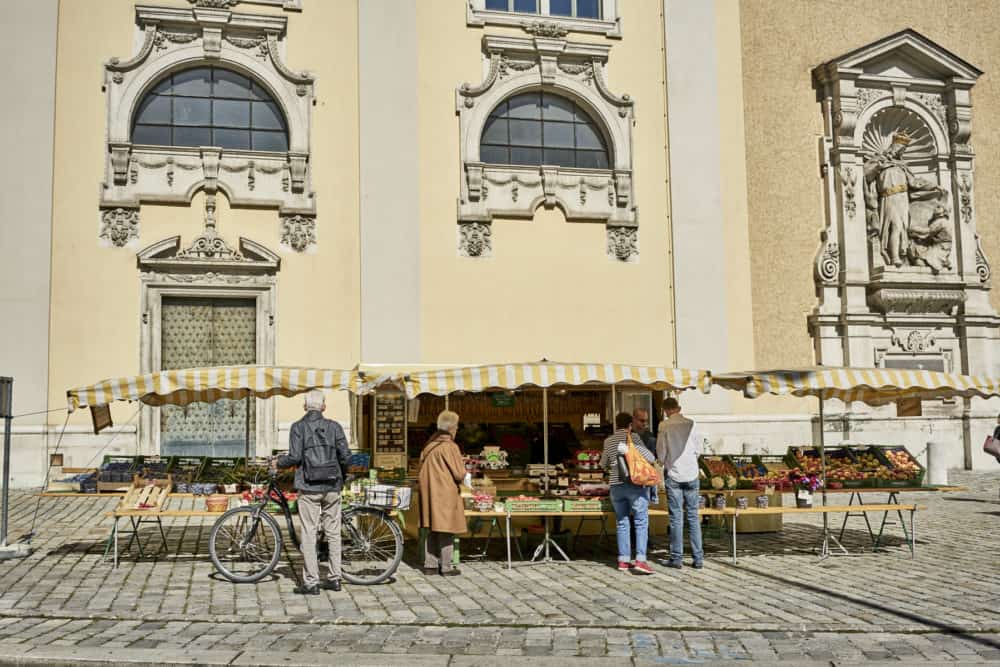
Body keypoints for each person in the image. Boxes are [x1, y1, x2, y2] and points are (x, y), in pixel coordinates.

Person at [276, 390, 351, 594]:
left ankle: (311, 582)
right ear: (324, 407)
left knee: (309, 533)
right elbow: (345, 456)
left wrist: (278, 463)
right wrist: (342, 477)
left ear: (304, 406)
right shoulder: (334, 427)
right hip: (332, 486)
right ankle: (335, 578)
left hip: (309, 486)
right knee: (334, 532)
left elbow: (294, 457)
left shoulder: (298, 427)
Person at [600, 411, 656, 574]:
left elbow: (604, 463)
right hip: (635, 485)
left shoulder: (608, 441)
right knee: (640, 521)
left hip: (616, 486)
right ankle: (640, 560)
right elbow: (651, 458)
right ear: (630, 425)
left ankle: (623, 560)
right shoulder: (635, 438)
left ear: (615, 424)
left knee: (622, 522)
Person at [418, 410, 469, 576]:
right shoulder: (450, 446)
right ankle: (446, 567)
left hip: (429, 492)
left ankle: (430, 565)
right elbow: (459, 474)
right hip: (444, 492)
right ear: (452, 428)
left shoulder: (429, 445)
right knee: (447, 528)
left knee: (432, 528)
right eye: (457, 426)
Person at [656, 396, 704, 569]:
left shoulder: (664, 426)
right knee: (693, 516)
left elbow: (661, 451)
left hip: (674, 474)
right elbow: (699, 448)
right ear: (679, 408)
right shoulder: (692, 423)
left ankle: (676, 558)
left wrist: (662, 461)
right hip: (691, 473)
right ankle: (698, 558)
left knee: (676, 518)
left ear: (665, 410)